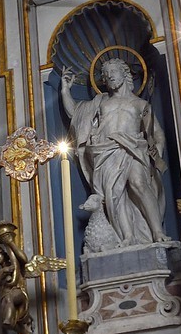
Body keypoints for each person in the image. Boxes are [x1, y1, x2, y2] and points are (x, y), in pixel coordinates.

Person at [60, 57, 170, 249]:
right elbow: (75, 113)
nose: (109, 76)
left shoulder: (140, 104)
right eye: (106, 74)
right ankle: (127, 236)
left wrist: (157, 153)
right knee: (114, 195)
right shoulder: (100, 103)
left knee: (139, 184)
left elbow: (157, 133)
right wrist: (64, 90)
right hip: (106, 151)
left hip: (133, 148)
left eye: (114, 71)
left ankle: (157, 231)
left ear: (125, 73)